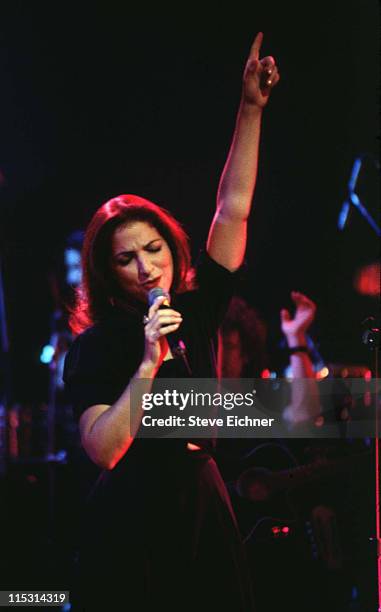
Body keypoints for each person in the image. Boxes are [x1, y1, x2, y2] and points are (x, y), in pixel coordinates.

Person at [63, 33, 279, 611]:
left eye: (153, 249)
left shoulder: (198, 306)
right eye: (125, 258)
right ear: (106, 273)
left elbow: (233, 206)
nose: (144, 266)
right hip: (135, 515)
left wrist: (251, 109)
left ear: (172, 249)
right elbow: (103, 450)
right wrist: (147, 362)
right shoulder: (96, 345)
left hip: (204, 502)